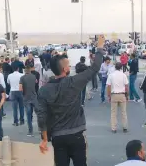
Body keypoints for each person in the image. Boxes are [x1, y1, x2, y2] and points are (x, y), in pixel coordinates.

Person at [37, 34, 105, 166]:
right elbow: (95, 68)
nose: (70, 68)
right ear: (64, 69)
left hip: (58, 138)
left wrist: (44, 139)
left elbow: (42, 116)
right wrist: (100, 47)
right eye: (68, 65)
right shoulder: (73, 82)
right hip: (76, 135)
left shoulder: (43, 91)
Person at [106, 62, 129, 133]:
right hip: (122, 95)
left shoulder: (111, 75)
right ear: (121, 67)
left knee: (113, 113)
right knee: (123, 112)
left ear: (115, 67)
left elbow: (108, 86)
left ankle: (114, 128)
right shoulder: (123, 75)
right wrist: (127, 95)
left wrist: (109, 95)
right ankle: (125, 127)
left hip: (114, 94)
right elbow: (126, 86)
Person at [19, 66, 38, 137]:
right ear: (30, 70)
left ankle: (30, 131)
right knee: (38, 113)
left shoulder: (22, 78)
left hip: (26, 98)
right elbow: (36, 82)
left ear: (24, 71)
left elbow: (20, 88)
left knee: (29, 115)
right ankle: (40, 129)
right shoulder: (34, 76)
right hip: (34, 97)